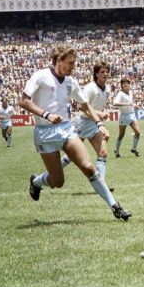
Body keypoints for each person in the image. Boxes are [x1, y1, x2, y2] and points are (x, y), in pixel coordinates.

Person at [20, 45, 131, 220]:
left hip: (66, 129)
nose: (73, 67)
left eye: (74, 63)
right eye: (70, 63)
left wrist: (99, 123)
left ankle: (115, 207)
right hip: (45, 132)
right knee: (58, 181)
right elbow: (24, 101)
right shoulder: (40, 76)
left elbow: (85, 105)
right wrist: (46, 114)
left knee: (88, 167)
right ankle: (36, 182)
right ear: (59, 60)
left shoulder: (71, 82)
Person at [60, 61, 112, 190]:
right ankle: (49, 172)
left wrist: (100, 115)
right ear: (96, 74)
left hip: (94, 123)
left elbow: (98, 106)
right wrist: (99, 114)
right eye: (102, 72)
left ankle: (101, 184)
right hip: (83, 122)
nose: (105, 74)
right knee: (72, 156)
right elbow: (81, 107)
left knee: (103, 152)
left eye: (107, 72)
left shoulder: (108, 88)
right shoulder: (90, 88)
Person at [113, 78, 141, 157]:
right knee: (121, 135)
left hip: (132, 115)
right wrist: (126, 104)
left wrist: (135, 106)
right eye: (124, 83)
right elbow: (115, 103)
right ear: (121, 86)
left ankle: (133, 149)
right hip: (124, 116)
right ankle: (117, 151)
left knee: (137, 132)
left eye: (127, 83)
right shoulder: (120, 94)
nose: (126, 84)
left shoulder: (131, 93)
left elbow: (131, 103)